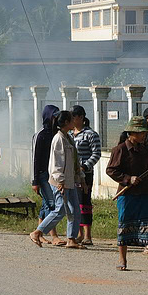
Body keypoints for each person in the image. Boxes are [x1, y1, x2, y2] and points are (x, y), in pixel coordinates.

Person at [106, 117, 148, 273]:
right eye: (141, 133)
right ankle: (122, 260)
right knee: (124, 225)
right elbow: (111, 170)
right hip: (127, 195)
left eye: (144, 133)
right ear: (131, 133)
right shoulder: (119, 150)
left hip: (145, 194)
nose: (144, 136)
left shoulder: (145, 150)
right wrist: (128, 179)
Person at [29, 111, 84, 249]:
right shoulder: (58, 139)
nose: (74, 122)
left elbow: (74, 161)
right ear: (66, 122)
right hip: (60, 182)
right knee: (60, 210)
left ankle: (71, 239)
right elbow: (56, 163)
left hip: (70, 181)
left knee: (75, 210)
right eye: (71, 119)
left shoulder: (68, 137)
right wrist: (60, 181)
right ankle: (37, 232)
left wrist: (81, 179)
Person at [32, 105, 65, 246]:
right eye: (54, 116)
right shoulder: (41, 135)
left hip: (54, 173)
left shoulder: (57, 134)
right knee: (52, 204)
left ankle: (39, 233)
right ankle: (54, 236)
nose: (56, 119)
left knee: (47, 204)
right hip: (43, 174)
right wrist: (35, 181)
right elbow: (36, 159)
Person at [70, 105, 101, 245]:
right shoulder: (70, 134)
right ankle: (79, 234)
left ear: (81, 117)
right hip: (71, 174)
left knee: (85, 202)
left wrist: (84, 166)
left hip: (85, 174)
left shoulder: (90, 134)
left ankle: (88, 235)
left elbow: (96, 154)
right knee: (74, 203)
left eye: (73, 116)